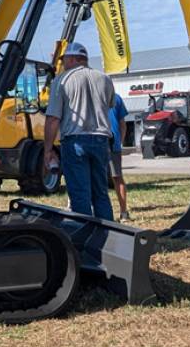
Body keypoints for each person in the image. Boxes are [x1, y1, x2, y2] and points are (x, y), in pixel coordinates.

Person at [44, 42, 115, 221]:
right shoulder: (104, 78)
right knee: (100, 192)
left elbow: (53, 119)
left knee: (80, 194)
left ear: (73, 59)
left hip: (75, 141)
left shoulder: (62, 80)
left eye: (65, 59)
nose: (63, 63)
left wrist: (47, 149)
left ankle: (84, 238)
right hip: (101, 140)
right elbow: (110, 105)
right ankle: (108, 234)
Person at [107, 92, 130, 222]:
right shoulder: (116, 97)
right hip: (113, 142)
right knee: (117, 178)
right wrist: (119, 142)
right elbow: (123, 124)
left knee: (94, 178)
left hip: (97, 142)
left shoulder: (91, 96)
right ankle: (123, 212)